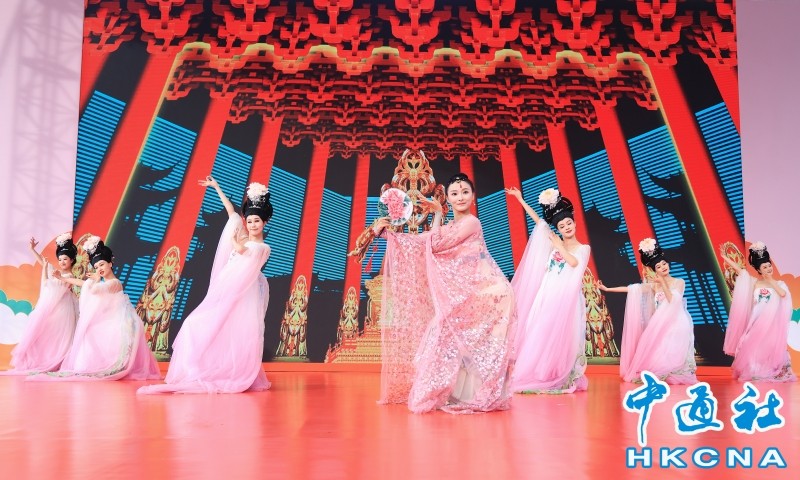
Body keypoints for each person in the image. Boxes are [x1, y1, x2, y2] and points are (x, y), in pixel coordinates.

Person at [375, 173, 516, 413]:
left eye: (465, 192)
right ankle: (456, 394)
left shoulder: (472, 222)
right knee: (448, 336)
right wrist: (387, 233)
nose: (460, 197)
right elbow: (424, 241)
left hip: (489, 294)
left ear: (473, 196)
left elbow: (436, 244)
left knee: (476, 344)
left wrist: (438, 214)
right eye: (455, 193)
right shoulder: (451, 226)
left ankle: (481, 393)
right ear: (448, 198)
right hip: (468, 295)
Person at [138, 177, 272, 394]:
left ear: (265, 222)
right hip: (228, 292)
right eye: (249, 221)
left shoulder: (262, 248)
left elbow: (245, 252)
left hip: (242, 295)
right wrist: (217, 187)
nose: (252, 225)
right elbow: (231, 212)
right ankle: (203, 369)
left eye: (257, 221)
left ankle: (232, 372)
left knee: (234, 333)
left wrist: (236, 243)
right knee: (196, 326)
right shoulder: (244, 237)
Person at [28, 236, 160, 381]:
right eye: (96, 267)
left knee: (91, 331)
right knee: (88, 333)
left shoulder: (115, 282)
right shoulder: (101, 282)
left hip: (118, 321)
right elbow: (83, 283)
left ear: (110, 263)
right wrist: (63, 278)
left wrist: (95, 281)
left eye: (102, 265)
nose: (99, 269)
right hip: (107, 320)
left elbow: (96, 289)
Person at [505, 187, 591, 394]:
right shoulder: (555, 241)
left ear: (575, 223)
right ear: (558, 229)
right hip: (547, 293)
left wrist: (559, 246)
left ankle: (556, 374)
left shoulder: (583, 248)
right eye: (561, 226)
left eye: (568, 223)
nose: (566, 227)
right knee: (539, 332)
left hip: (566, 297)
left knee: (559, 336)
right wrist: (520, 199)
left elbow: (574, 263)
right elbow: (540, 223)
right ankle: (539, 372)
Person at [597, 238, 697, 384]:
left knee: (673, 349)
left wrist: (662, 283)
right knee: (657, 351)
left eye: (664, 263)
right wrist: (607, 289)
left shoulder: (679, 282)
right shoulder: (653, 285)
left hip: (677, 321)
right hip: (660, 322)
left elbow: (673, 301)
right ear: (654, 270)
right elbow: (632, 289)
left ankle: (674, 371)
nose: (663, 267)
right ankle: (662, 372)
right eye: (658, 266)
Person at [1, 234, 79, 374]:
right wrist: (32, 250)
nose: (61, 262)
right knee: (48, 334)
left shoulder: (69, 276)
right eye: (60, 259)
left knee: (59, 335)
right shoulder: (58, 273)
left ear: (72, 260)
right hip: (55, 307)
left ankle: (56, 362)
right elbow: (44, 263)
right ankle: (45, 360)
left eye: (65, 259)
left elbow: (51, 284)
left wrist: (50, 274)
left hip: (63, 309)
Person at [722, 242, 795, 382]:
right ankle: (755, 370)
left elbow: (783, 294)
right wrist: (725, 258)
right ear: (759, 270)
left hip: (771, 324)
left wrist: (770, 280)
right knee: (750, 345)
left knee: (769, 347)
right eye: (764, 267)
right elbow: (741, 272)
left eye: (769, 266)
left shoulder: (780, 284)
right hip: (756, 321)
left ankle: (772, 371)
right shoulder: (755, 283)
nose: (768, 268)